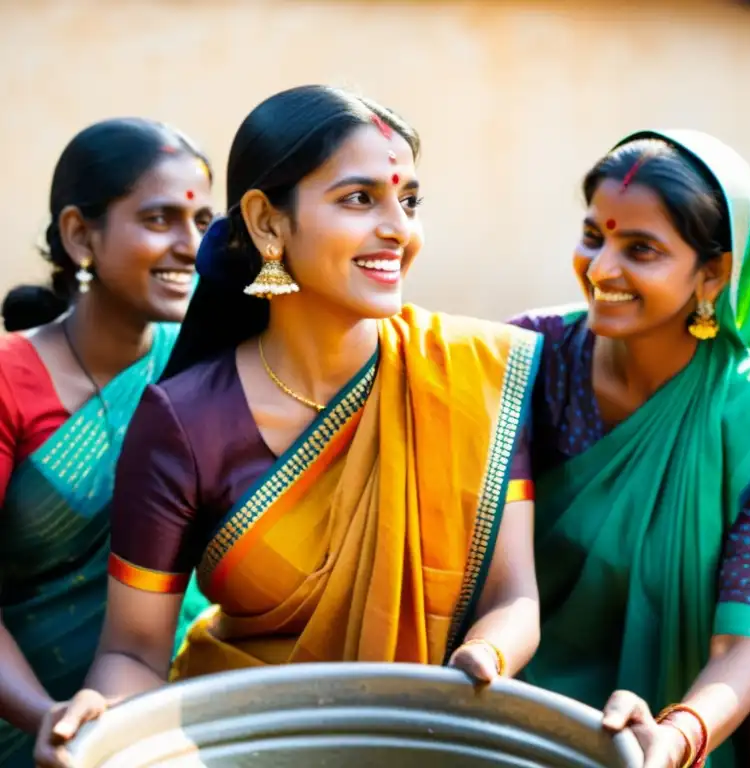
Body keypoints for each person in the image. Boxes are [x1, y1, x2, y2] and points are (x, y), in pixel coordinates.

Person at [34, 85, 542, 768]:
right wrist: (98, 727)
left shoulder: (475, 377)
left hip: (424, 737)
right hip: (232, 748)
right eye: (360, 199)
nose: (399, 228)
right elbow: (132, 651)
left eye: (410, 201)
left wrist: (483, 657)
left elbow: (516, 599)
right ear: (269, 225)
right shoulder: (184, 421)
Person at [507, 130, 750, 768]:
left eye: (641, 250)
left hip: (674, 735)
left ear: (712, 274)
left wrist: (676, 735)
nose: (601, 269)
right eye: (593, 237)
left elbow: (744, 643)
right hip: (505, 715)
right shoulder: (530, 359)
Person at [0, 118, 215, 767]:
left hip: (194, 716)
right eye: (159, 220)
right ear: (79, 234)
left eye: (205, 222)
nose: (191, 246)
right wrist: (53, 719)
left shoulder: (206, 363)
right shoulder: (10, 380)